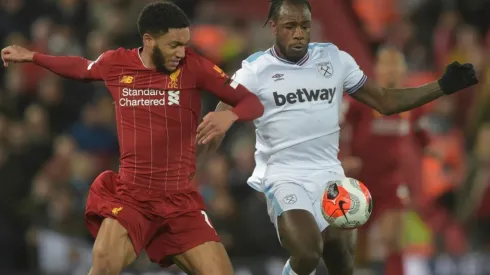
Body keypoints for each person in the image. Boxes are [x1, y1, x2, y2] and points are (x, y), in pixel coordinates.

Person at [208, 0, 478, 274]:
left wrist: (442, 86)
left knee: (340, 256)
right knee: (307, 252)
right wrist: (209, 148)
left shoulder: (334, 60)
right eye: (290, 26)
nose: (299, 33)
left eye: (304, 25)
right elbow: (222, 112)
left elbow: (383, 100)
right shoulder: (256, 69)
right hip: (283, 176)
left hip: (329, 174)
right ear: (274, 26)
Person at [2, 2, 264, 274]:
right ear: (149, 40)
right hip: (132, 198)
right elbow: (81, 67)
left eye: (184, 44)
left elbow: (251, 102)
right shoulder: (117, 63)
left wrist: (229, 117)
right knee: (102, 264)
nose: (181, 52)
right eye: (174, 44)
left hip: (179, 201)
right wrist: (33, 57)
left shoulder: (195, 67)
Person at [342, 47, 432, 275]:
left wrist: (435, 154)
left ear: (403, 70)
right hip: (362, 179)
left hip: (393, 180)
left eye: (395, 65)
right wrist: (344, 158)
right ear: (378, 69)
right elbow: (341, 128)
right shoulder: (362, 99)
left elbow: (423, 136)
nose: (391, 70)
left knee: (393, 236)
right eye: (386, 64)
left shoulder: (412, 102)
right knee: (359, 240)